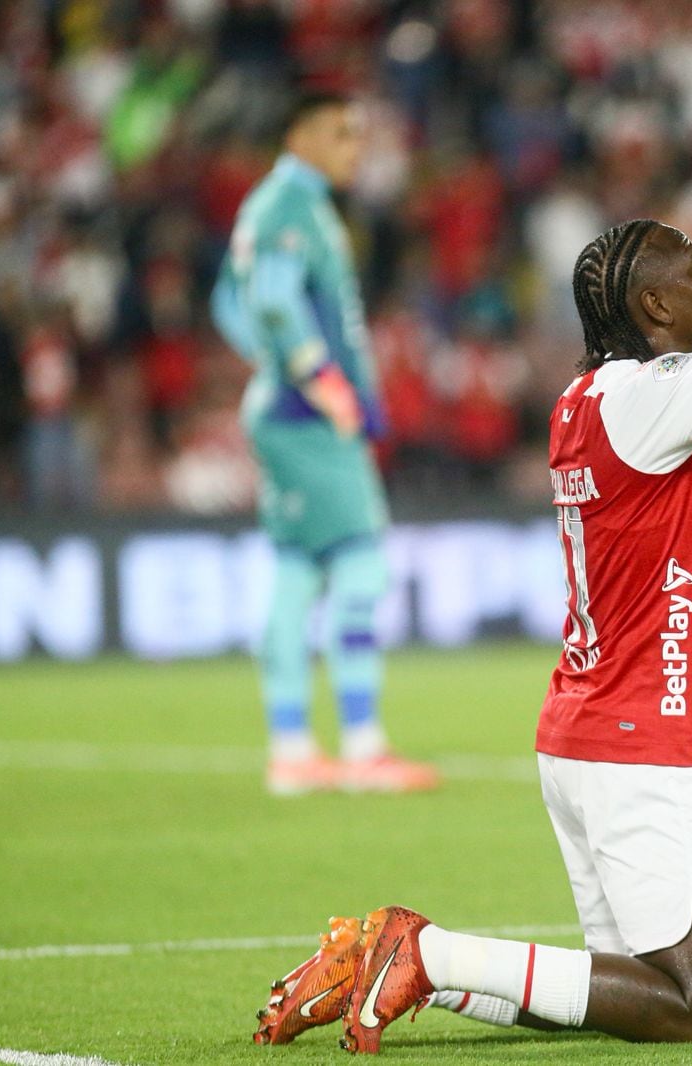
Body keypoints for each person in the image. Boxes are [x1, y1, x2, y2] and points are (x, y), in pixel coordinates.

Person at [249, 132, 692, 1053]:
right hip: (648, 738)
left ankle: (405, 970)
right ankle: (427, 952)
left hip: (587, 736)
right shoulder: (655, 397)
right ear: (655, 306)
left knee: (634, 997)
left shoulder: (591, 397)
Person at [211, 90, 438, 796]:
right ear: (300, 135)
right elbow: (272, 301)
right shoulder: (290, 206)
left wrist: (272, 366)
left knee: (297, 570)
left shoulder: (277, 207)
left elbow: (229, 302)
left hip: (283, 412)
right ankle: (362, 747)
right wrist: (317, 378)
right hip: (307, 419)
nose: (354, 147)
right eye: (341, 133)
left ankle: (292, 748)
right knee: (361, 566)